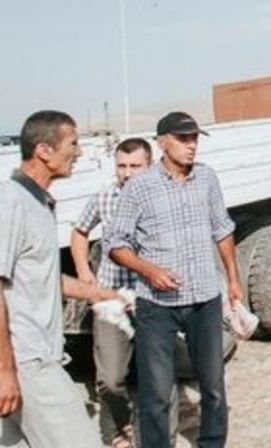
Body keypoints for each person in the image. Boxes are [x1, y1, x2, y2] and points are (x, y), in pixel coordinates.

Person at [106, 112, 241, 448]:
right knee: (157, 392)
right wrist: (149, 270)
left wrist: (233, 280)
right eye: (183, 139)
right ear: (162, 142)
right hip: (157, 305)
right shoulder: (139, 187)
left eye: (194, 138)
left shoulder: (207, 179)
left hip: (204, 299)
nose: (191, 145)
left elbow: (222, 230)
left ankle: (212, 443)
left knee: (212, 385)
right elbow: (115, 245)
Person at [1, 111, 119, 448]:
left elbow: (42, 279)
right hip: (28, 362)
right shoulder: (10, 202)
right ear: (43, 150)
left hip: (32, 359)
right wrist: (5, 370)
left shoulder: (37, 203)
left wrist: (100, 293)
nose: (79, 152)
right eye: (73, 143)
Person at [70, 137, 152, 448]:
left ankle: (154, 438)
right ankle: (117, 431)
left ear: (150, 165)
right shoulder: (105, 198)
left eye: (136, 166)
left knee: (156, 378)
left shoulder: (161, 198)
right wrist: (84, 273)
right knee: (109, 379)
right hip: (111, 299)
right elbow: (80, 231)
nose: (128, 173)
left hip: (150, 298)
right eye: (122, 166)